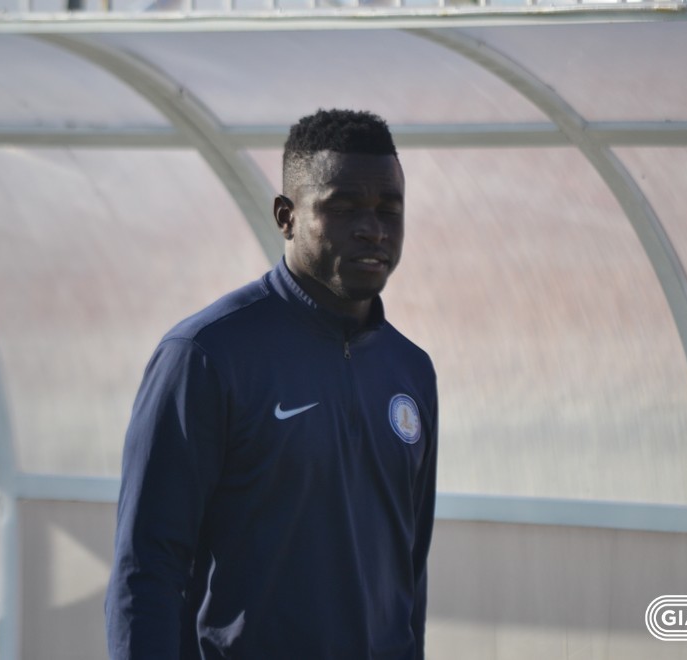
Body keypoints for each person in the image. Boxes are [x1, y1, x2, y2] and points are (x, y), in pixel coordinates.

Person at [106, 108, 438, 659]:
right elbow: (147, 568)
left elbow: (409, 573)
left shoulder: (411, 370)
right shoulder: (206, 354)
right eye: (343, 207)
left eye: (389, 210)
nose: (372, 228)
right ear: (286, 216)